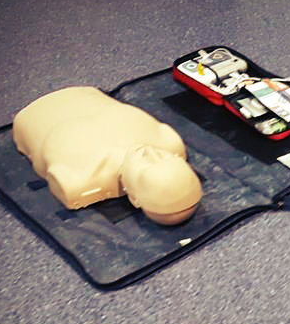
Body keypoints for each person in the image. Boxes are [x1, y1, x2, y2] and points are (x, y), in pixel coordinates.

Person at [13, 86, 203, 225]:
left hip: (34, 114)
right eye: (166, 157)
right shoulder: (167, 141)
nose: (149, 153)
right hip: (88, 94)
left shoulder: (81, 177)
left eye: (146, 167)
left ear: (134, 199)